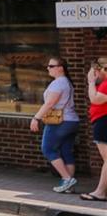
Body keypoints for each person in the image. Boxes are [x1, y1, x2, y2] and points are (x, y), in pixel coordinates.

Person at [29, 57, 80, 193]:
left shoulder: (58, 83)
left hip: (59, 122)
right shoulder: (66, 82)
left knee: (48, 149)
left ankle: (67, 178)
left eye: (51, 66)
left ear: (60, 68)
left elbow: (50, 103)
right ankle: (69, 185)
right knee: (66, 152)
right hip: (72, 121)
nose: (48, 68)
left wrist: (36, 118)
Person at [80, 58, 107, 202]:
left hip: (103, 121)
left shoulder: (105, 84)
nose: (92, 73)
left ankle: (100, 192)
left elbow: (95, 99)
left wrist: (91, 82)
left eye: (94, 70)